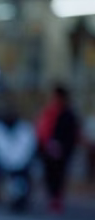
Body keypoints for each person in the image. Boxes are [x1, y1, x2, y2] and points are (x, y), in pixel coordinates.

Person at [35, 84, 79, 213]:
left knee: (59, 176)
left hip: (62, 152)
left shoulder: (68, 114)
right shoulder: (49, 111)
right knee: (50, 174)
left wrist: (62, 147)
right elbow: (42, 128)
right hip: (47, 151)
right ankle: (52, 197)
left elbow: (71, 134)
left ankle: (56, 198)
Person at [0, 108, 36, 212]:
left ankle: (20, 199)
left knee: (22, 180)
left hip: (19, 164)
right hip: (3, 163)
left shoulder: (24, 129)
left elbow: (27, 147)